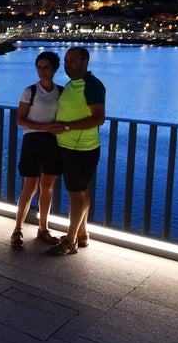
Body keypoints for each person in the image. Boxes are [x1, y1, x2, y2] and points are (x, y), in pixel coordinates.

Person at [43, 46, 106, 255]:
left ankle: (70, 241)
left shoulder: (93, 86)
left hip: (81, 149)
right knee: (81, 191)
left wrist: (68, 127)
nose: (67, 65)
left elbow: (98, 118)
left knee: (76, 193)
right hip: (68, 146)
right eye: (66, 61)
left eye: (72, 61)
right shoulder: (73, 84)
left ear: (84, 62)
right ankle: (82, 234)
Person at [10, 51, 62, 249]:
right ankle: (17, 229)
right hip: (32, 142)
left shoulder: (62, 92)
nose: (42, 71)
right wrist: (46, 127)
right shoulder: (29, 91)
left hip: (53, 144)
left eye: (46, 67)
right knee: (29, 188)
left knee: (47, 187)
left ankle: (43, 228)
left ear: (55, 69)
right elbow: (20, 120)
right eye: (39, 67)